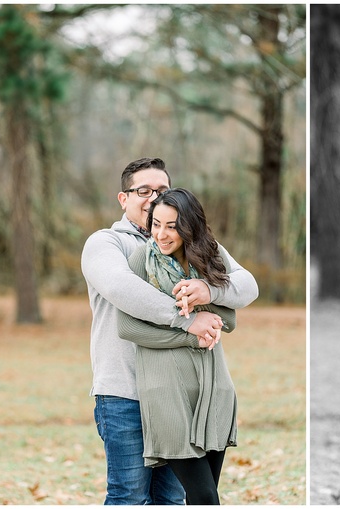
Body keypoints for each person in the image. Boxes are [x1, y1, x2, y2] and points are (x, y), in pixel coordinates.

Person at [81, 158, 259, 505]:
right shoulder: (106, 244)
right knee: (129, 495)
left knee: (172, 499)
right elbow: (123, 290)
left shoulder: (194, 248)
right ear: (124, 198)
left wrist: (211, 291)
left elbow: (246, 284)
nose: (152, 197)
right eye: (142, 190)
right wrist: (187, 321)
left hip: (181, 394)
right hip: (125, 392)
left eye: (161, 190)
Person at [115, 188, 246, 505]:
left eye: (171, 226)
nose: (161, 234)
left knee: (206, 495)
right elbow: (128, 327)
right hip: (165, 393)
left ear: (189, 226)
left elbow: (229, 319)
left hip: (214, 389)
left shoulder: (209, 259)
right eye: (156, 224)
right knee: (204, 496)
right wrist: (189, 332)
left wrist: (205, 294)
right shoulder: (140, 262)